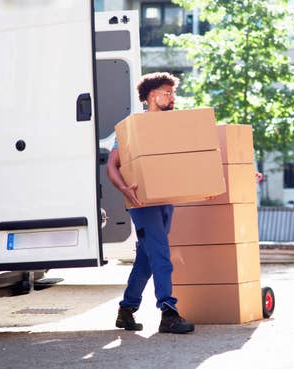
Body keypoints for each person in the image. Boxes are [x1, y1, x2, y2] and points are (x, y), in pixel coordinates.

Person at [106, 72, 195, 334]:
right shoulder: (131, 127)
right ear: (152, 96)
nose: (173, 97)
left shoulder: (173, 127)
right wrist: (124, 189)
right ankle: (168, 311)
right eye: (168, 92)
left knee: (146, 259)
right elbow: (112, 165)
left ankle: (126, 310)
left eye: (172, 92)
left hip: (166, 200)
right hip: (141, 202)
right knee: (161, 255)